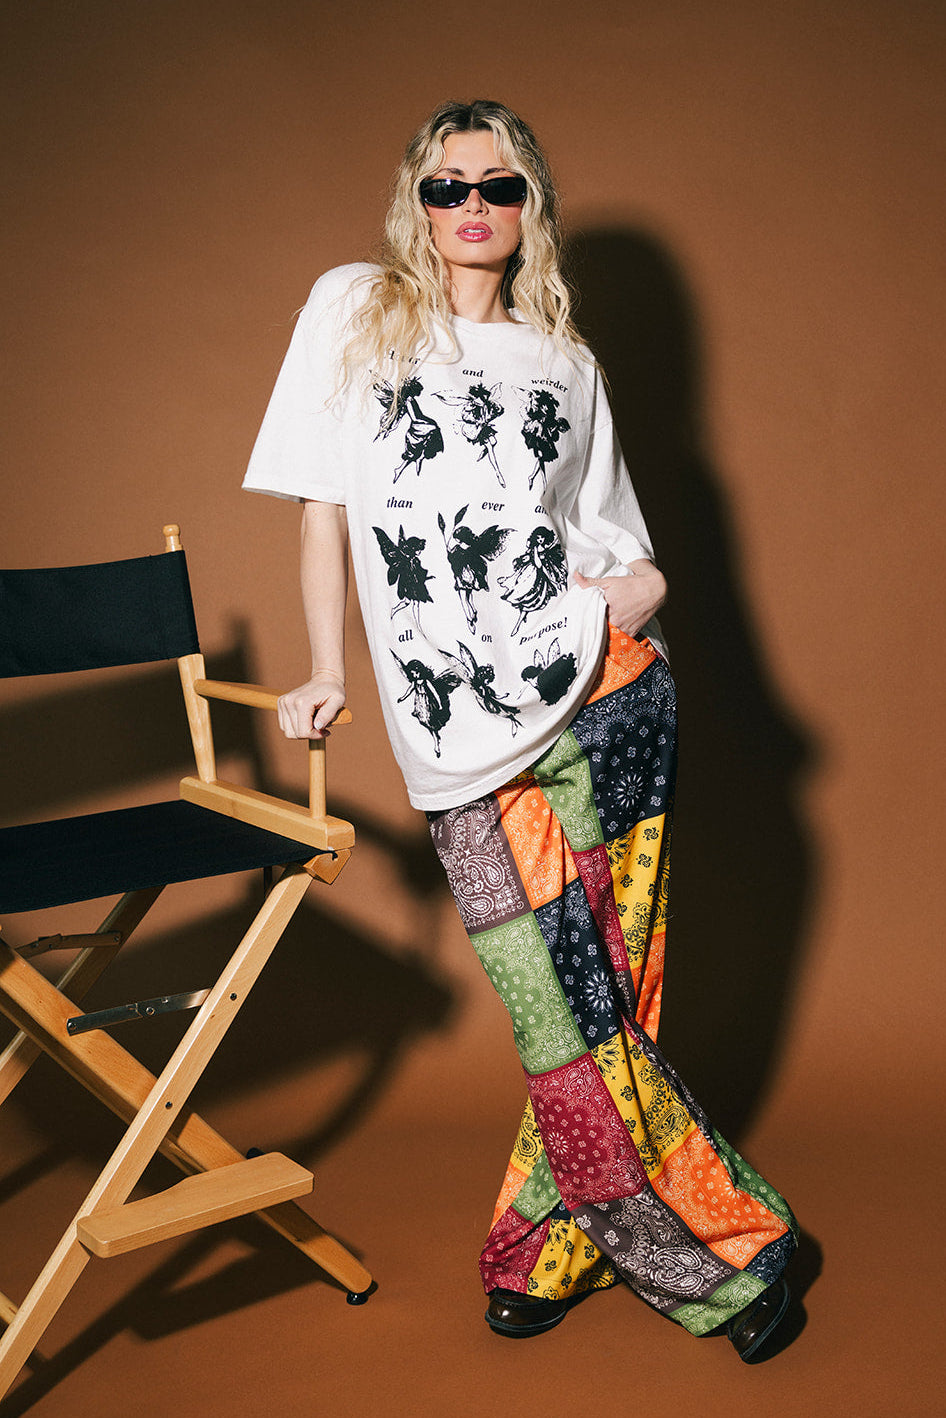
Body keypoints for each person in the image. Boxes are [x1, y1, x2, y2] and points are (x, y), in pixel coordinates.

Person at [243, 99, 795, 1359]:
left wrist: (639, 595)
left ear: (531, 204)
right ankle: (733, 1260)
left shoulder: (567, 364)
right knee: (565, 1016)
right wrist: (329, 663)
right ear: (416, 202)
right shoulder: (353, 310)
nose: (471, 206)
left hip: (609, 698)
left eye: (499, 184)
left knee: (611, 999)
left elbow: (623, 542)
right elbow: (322, 507)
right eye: (446, 188)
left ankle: (542, 1244)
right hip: (462, 741)